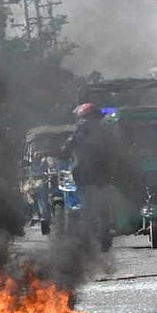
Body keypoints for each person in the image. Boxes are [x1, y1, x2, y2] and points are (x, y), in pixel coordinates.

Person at [61, 103, 113, 250]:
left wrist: (55, 153)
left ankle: (88, 242)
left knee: (86, 210)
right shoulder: (105, 131)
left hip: (83, 178)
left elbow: (65, 151)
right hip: (102, 178)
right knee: (103, 210)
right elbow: (115, 152)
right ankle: (103, 239)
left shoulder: (78, 131)